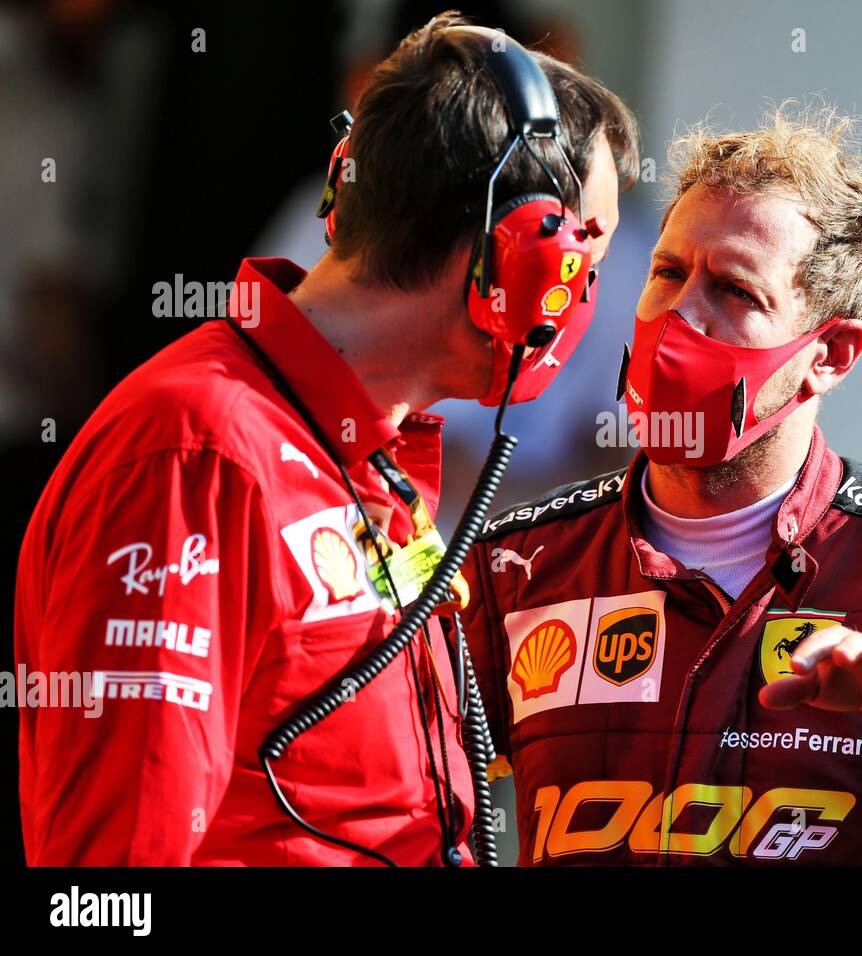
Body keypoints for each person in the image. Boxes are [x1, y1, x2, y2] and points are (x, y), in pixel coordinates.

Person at [14, 13, 638, 866]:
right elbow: (116, 877)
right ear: (517, 254)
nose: (586, 292)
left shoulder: (368, 452)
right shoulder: (196, 455)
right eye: (583, 258)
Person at [460, 106, 862, 866]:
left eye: (735, 291)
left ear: (830, 354)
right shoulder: (518, 564)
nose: (680, 316)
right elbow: (394, 810)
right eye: (668, 273)